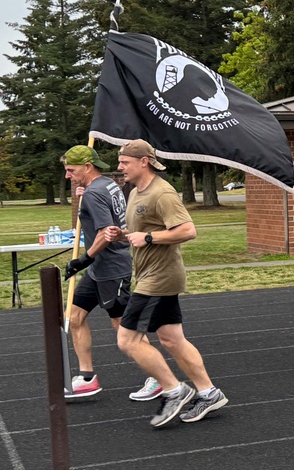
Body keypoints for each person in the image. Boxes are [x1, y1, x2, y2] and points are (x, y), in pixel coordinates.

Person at [104, 140, 227, 427]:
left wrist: (148, 238)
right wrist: (122, 234)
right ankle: (209, 393)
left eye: (124, 162)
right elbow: (145, 230)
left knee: (127, 339)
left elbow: (188, 230)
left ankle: (174, 390)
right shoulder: (135, 192)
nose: (120, 167)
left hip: (158, 278)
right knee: (172, 339)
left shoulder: (162, 193)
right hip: (150, 274)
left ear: (143, 161)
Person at [60, 146, 154, 400]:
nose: (68, 176)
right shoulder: (108, 184)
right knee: (75, 316)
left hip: (111, 268)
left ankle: (157, 377)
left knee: (123, 327)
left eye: (71, 170)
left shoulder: (94, 193)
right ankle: (88, 378)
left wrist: (83, 259)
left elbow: (107, 232)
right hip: (99, 269)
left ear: (88, 167)